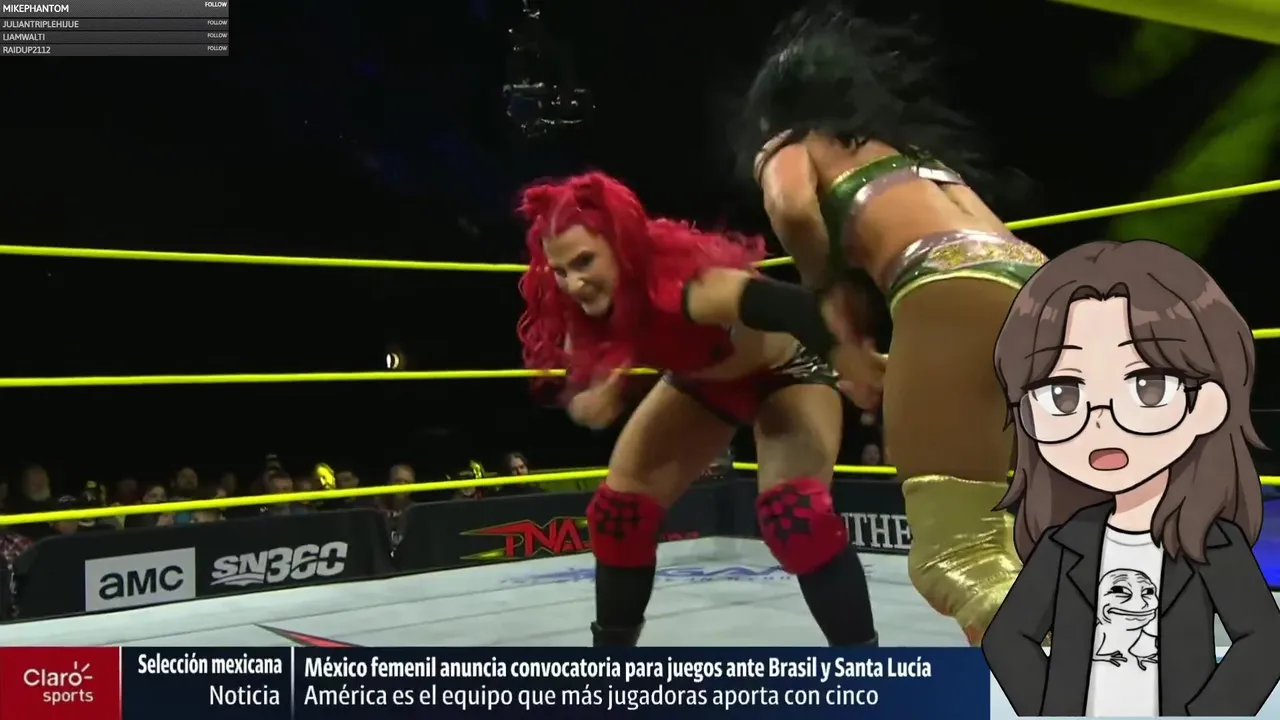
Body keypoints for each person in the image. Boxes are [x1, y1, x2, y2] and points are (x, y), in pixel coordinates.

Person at [735, 6, 1047, 644]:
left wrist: (827, 289)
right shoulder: (917, 158)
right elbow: (1000, 253)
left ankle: (1088, 684)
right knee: (1012, 541)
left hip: (952, 285)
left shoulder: (794, 144)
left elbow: (791, 208)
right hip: (1047, 295)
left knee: (957, 557)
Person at [516, 170, 877, 647]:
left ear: (621, 247)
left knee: (796, 518)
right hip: (702, 385)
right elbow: (606, 368)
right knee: (619, 516)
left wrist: (853, 363)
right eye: (560, 270)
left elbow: (794, 307)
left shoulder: (689, 285)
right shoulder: (585, 307)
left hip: (787, 374)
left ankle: (865, 670)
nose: (574, 282)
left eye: (584, 261)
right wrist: (600, 390)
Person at [982, 240, 1280, 717]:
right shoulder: (1067, 542)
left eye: (1148, 387)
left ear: (1207, 405)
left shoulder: (1211, 542)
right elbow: (1006, 638)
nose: (1101, 422)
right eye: (1062, 394)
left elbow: (1265, 640)